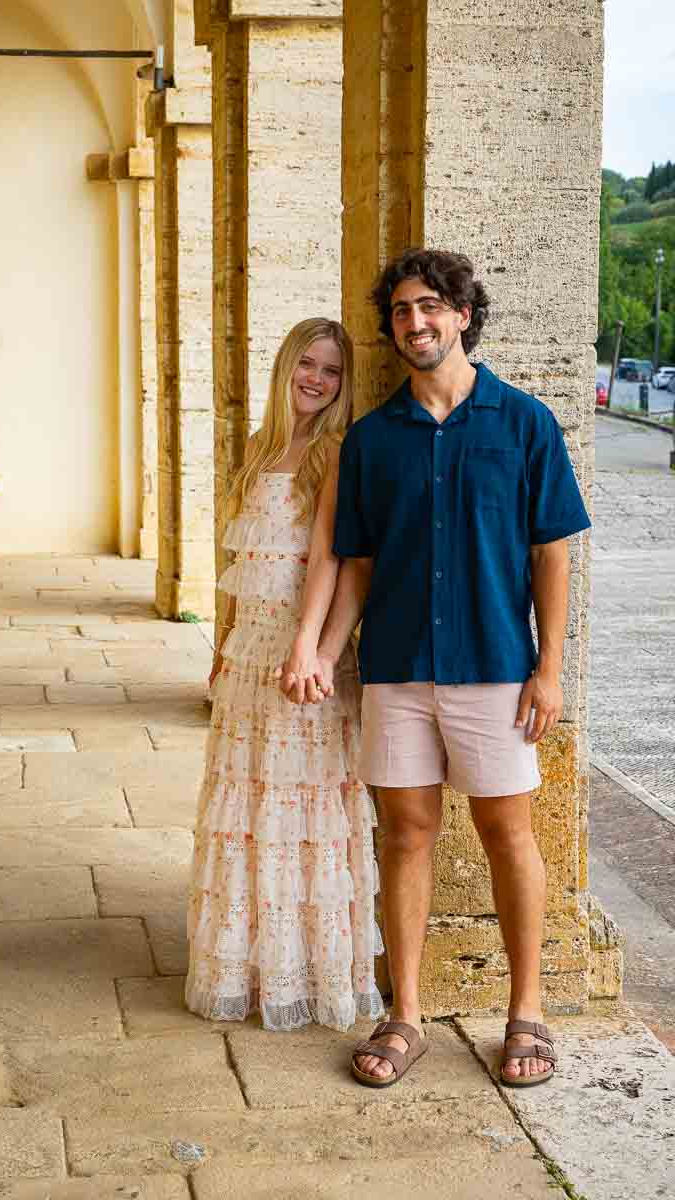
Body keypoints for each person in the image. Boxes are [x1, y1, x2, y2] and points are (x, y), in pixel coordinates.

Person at [280, 249, 590, 1088]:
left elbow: (551, 553)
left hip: (496, 667)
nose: (415, 323)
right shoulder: (374, 441)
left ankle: (527, 1011)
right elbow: (357, 563)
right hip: (398, 670)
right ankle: (406, 1015)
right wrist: (319, 648)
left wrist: (549, 668)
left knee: (509, 835)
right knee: (405, 835)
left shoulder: (525, 423)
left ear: (462, 315)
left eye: (430, 308)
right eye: (401, 312)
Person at [185, 317, 384, 1032]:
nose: (318, 380)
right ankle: (255, 968)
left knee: (307, 818)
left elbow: (347, 566)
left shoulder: (337, 451)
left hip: (306, 657)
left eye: (332, 371)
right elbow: (242, 564)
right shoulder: (261, 447)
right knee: (248, 814)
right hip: (251, 653)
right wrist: (224, 642)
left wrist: (321, 652)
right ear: (285, 365)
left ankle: (315, 974)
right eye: (308, 363)